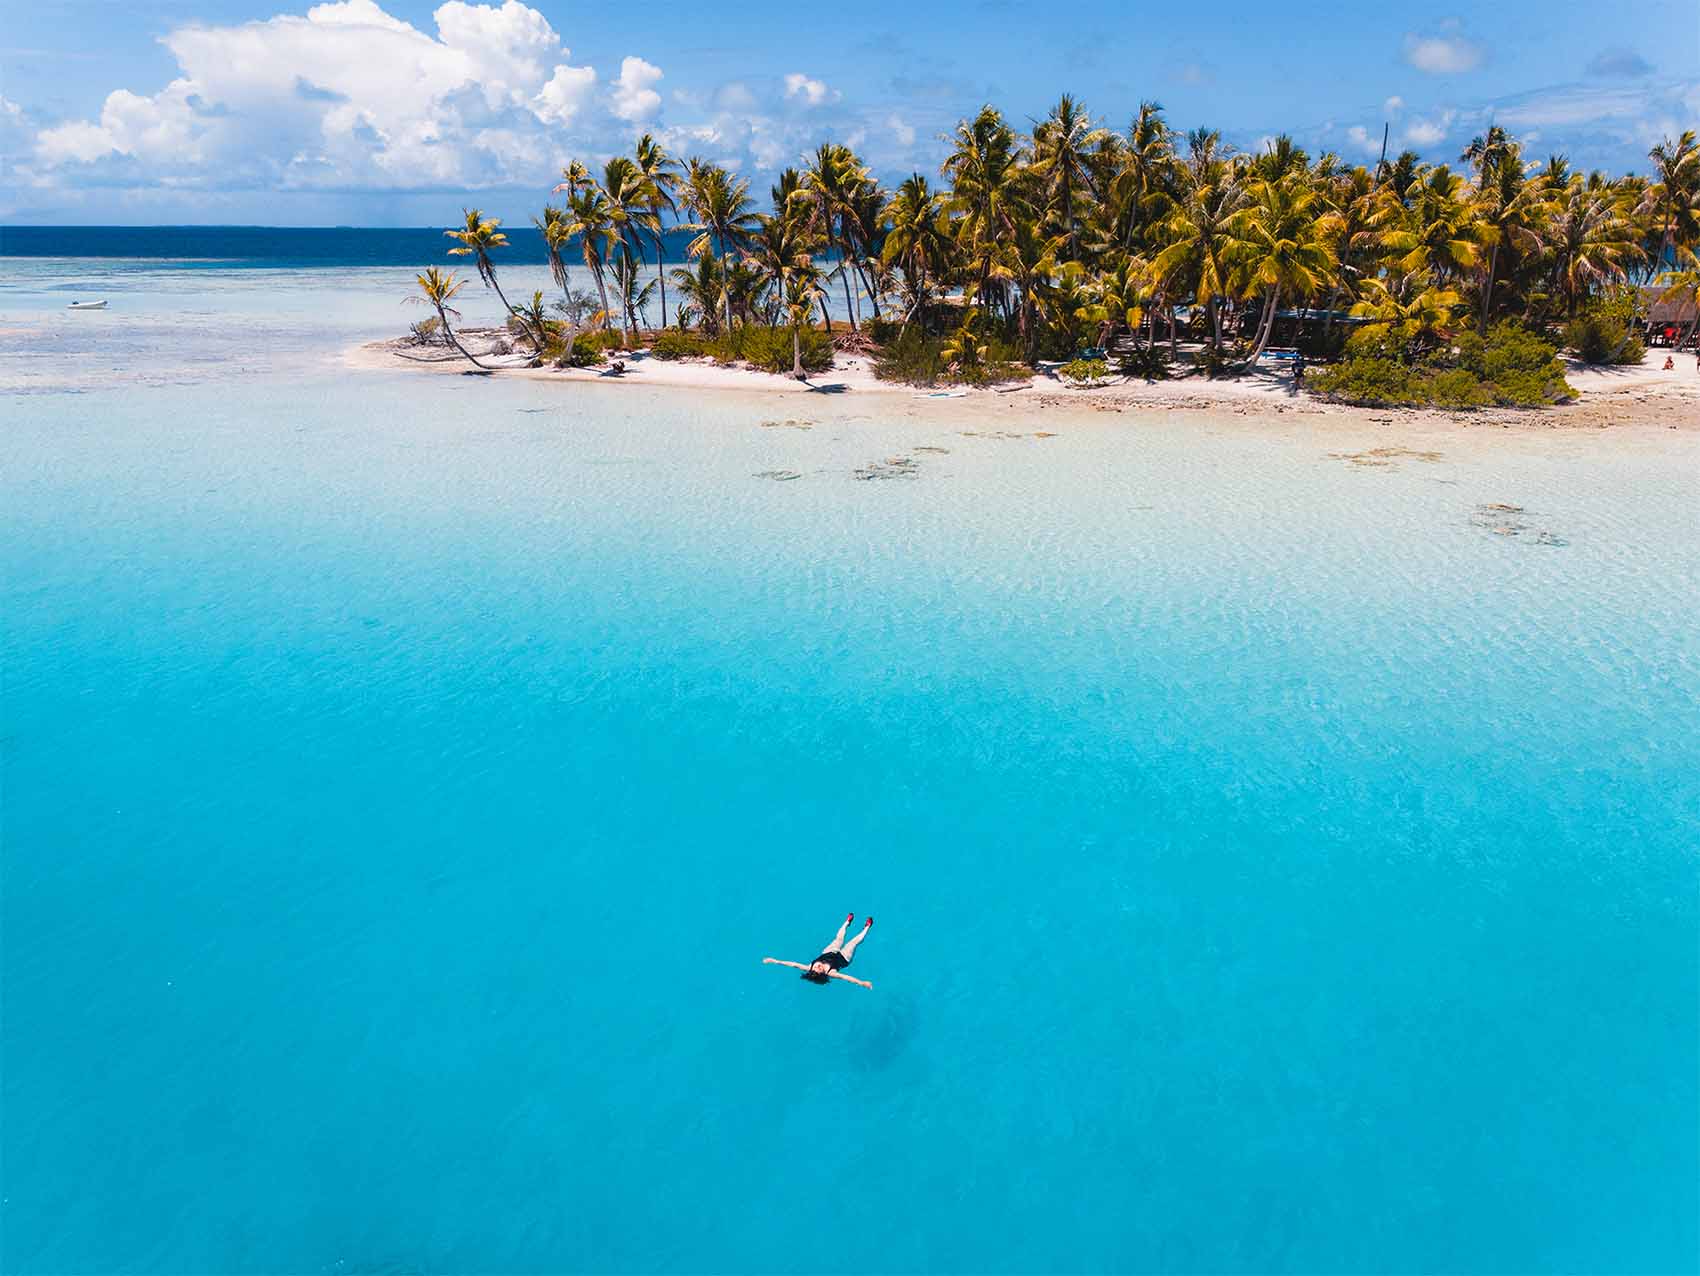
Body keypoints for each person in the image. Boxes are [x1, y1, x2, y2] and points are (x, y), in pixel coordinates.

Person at [763, 913, 874, 988]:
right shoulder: (832, 973)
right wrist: (862, 983)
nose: (818, 967)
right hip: (844, 958)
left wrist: (774, 961)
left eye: (815, 968)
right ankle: (867, 927)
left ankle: (847, 922)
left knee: (839, 938)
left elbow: (792, 964)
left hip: (829, 952)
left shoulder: (809, 967)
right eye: (819, 970)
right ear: (823, 974)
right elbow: (847, 978)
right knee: (854, 942)